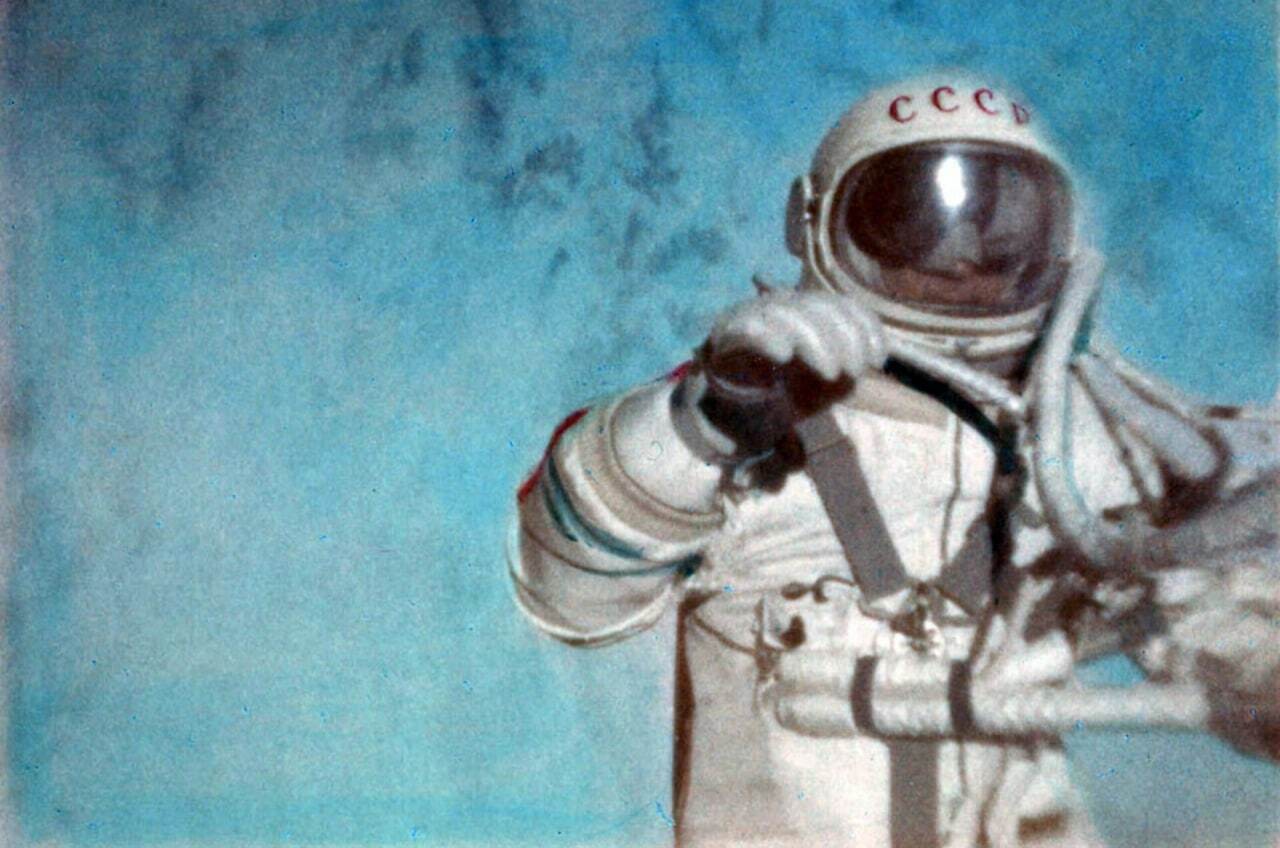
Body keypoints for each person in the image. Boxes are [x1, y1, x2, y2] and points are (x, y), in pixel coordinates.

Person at [506, 74, 1265, 848]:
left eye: (1003, 228)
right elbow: (567, 595)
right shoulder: (743, 424)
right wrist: (704, 426)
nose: (961, 260)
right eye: (912, 222)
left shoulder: (1082, 449)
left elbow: (1224, 639)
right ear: (814, 223)